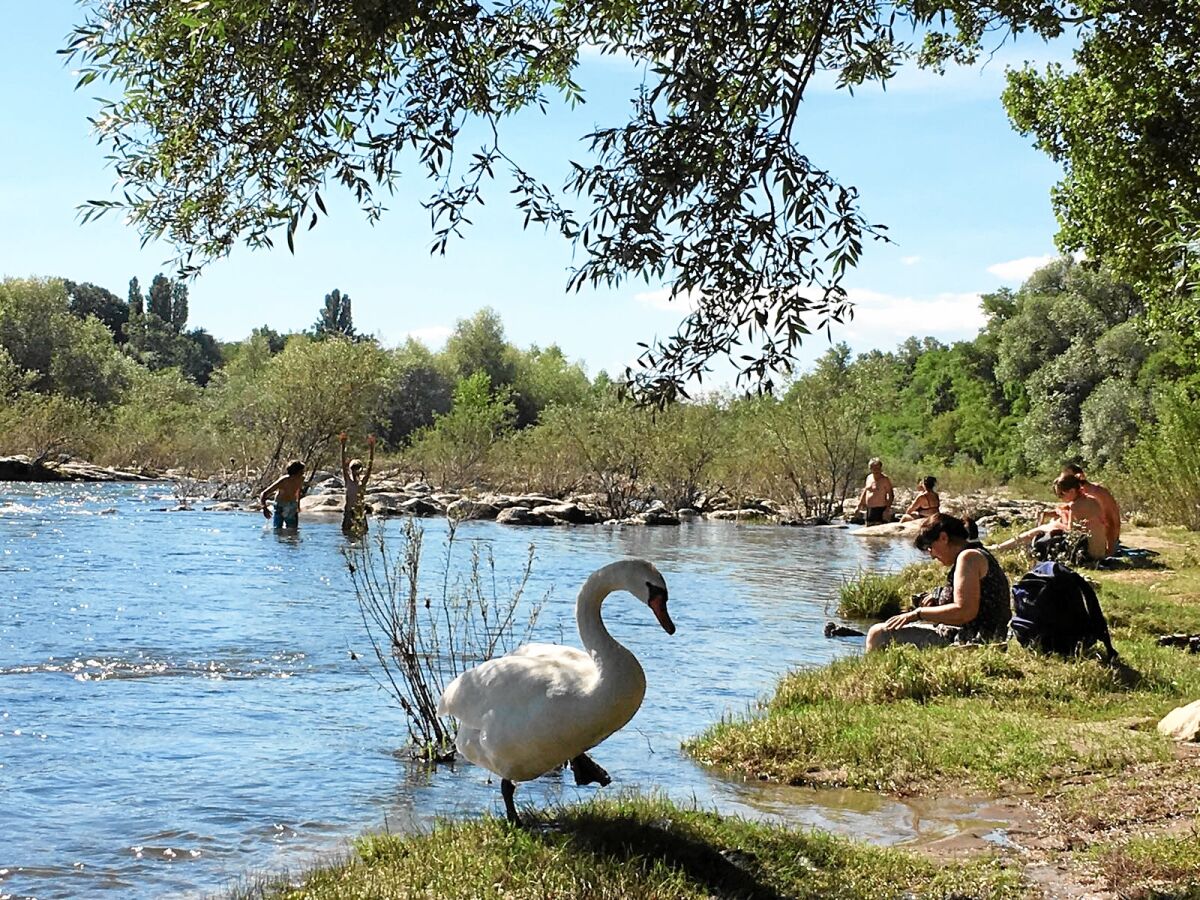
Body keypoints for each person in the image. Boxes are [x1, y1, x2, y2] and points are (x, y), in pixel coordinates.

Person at [866, 513, 1011, 651]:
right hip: (978, 633)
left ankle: (869, 675)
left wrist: (918, 614)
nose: (931, 555)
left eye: (930, 547)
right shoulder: (976, 553)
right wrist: (936, 598)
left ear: (943, 538)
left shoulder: (968, 557)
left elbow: (965, 611)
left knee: (878, 634)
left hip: (974, 638)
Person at [988, 473, 1108, 562]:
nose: (1059, 497)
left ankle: (999, 549)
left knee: (1040, 530)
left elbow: (1071, 532)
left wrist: (1052, 525)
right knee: (1046, 528)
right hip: (1100, 552)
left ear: (1071, 491)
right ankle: (1003, 548)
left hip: (1088, 555)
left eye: (1061, 494)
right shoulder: (1091, 500)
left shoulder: (1076, 506)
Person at [1062, 463, 1120, 555]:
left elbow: (1110, 521)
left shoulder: (1096, 493)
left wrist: (1109, 549)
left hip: (1105, 543)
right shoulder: (1079, 495)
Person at [340, 432, 376, 536]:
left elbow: (370, 466)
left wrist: (372, 449)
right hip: (348, 512)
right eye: (353, 468)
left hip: (359, 513)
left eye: (357, 468)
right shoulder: (348, 480)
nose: (356, 470)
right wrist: (343, 446)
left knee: (362, 534)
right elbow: (343, 463)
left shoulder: (362, 482)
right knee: (346, 534)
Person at [260, 459, 305, 529]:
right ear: (296, 472)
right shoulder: (284, 480)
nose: (303, 473)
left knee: (293, 530)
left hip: (292, 505)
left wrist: (298, 505)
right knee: (277, 529)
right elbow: (264, 493)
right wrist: (264, 508)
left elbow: (298, 490)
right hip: (280, 505)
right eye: (301, 471)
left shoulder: (301, 479)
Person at [854, 458, 895, 524]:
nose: (876, 470)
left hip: (880, 509)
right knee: (867, 531)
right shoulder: (869, 478)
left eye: (878, 468)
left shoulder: (885, 480)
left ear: (881, 468)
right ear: (870, 469)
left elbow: (891, 495)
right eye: (874, 468)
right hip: (869, 509)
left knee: (878, 532)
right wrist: (859, 506)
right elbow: (865, 491)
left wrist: (887, 509)